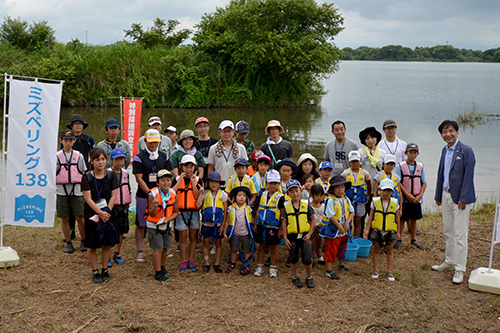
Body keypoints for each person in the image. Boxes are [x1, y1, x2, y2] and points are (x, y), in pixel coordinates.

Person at [432, 120, 475, 285]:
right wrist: (437, 194)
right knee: (448, 230)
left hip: (460, 199)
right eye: (444, 132)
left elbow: (468, 176)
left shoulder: (466, 151)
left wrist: (464, 197)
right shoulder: (445, 150)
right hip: (445, 194)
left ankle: (460, 268)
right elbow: (441, 173)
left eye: (450, 131)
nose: (447, 134)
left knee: (460, 234)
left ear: (457, 132)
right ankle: (449, 261)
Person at [132, 129, 172, 262]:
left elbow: (168, 176)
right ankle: (140, 250)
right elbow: (139, 178)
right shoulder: (139, 158)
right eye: (151, 142)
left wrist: (164, 192)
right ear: (145, 142)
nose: (153, 145)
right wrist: (150, 193)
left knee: (161, 220)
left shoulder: (164, 157)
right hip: (144, 195)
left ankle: (162, 248)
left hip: (162, 195)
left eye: (156, 142)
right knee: (141, 223)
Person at [81, 148, 119, 283]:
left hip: (108, 214)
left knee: (106, 244)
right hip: (92, 214)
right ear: (92, 161)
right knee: (91, 245)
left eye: (103, 159)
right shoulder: (87, 177)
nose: (100, 162)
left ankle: (105, 269)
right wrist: (99, 212)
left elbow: (114, 195)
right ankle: (95, 271)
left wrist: (107, 211)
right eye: (97, 160)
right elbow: (88, 199)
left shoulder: (111, 175)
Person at [145, 169, 179, 282]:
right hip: (154, 225)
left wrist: (168, 220)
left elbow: (176, 212)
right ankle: (157, 273)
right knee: (158, 249)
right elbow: (152, 213)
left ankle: (162, 267)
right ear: (158, 183)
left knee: (165, 248)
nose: (166, 183)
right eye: (163, 180)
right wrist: (154, 206)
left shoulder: (173, 193)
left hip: (166, 224)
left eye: (168, 180)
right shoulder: (153, 194)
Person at [56, 129, 87, 253]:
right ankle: (68, 243)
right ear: (61, 141)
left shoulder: (79, 156)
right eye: (65, 140)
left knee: (80, 217)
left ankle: (84, 241)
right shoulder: (56, 156)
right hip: (62, 190)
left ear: (74, 141)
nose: (68, 143)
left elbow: (83, 173)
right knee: (65, 217)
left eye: (70, 140)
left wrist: (85, 192)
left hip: (77, 190)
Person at [64, 114, 94, 241]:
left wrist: (91, 174)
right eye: (75, 124)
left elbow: (92, 157)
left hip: (84, 173)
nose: (77, 126)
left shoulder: (89, 139)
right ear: (71, 126)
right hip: (69, 175)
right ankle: (71, 232)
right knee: (70, 206)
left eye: (80, 124)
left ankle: (86, 233)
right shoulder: (66, 138)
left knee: (83, 204)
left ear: (83, 126)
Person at [282, 179, 315, 288]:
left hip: (305, 236)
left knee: (307, 259)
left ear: (301, 191)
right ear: (288, 194)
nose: (295, 193)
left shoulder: (306, 204)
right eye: (291, 192)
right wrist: (285, 238)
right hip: (292, 237)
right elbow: (284, 223)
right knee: (293, 258)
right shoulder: (287, 207)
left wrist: (310, 233)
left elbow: (313, 219)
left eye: (297, 190)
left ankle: (309, 277)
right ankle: (294, 276)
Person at [364, 178, 399, 282]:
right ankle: (376, 270)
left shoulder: (394, 202)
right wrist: (367, 230)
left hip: (390, 230)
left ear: (392, 192)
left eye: (388, 191)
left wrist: (399, 232)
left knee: (390, 250)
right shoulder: (375, 201)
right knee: (376, 250)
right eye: (384, 190)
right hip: (377, 230)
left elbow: (397, 218)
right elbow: (370, 216)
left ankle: (389, 271)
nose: (386, 193)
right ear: (379, 190)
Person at [172, 154, 201, 272]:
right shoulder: (177, 179)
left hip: (193, 212)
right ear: (181, 167)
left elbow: (197, 195)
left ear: (194, 168)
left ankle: (191, 259)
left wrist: (193, 182)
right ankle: (183, 260)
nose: (188, 170)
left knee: (193, 237)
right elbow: (171, 193)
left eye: (191, 167)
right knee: (182, 238)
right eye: (186, 167)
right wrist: (179, 181)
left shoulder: (198, 180)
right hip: (180, 212)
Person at [321, 176, 354, 279]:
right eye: (338, 187)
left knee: (342, 246)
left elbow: (352, 212)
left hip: (345, 228)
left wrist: (347, 223)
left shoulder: (346, 199)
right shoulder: (330, 200)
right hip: (334, 230)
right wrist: (339, 227)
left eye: (342, 187)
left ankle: (341, 264)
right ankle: (329, 270)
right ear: (333, 189)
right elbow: (330, 216)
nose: (341, 190)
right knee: (331, 248)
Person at [254, 170, 285, 278]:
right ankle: (259, 266)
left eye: (275, 183)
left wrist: (281, 229)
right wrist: (255, 223)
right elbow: (258, 209)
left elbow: (282, 215)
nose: (272, 185)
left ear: (278, 184)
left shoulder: (280, 197)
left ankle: (273, 267)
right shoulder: (263, 195)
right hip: (261, 225)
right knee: (261, 246)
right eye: (270, 183)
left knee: (273, 247)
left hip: (274, 226)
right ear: (267, 183)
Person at [395, 143, 427, 249]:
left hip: (416, 198)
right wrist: (407, 194)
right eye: (410, 152)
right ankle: (398, 239)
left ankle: (413, 240)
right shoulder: (400, 166)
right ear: (406, 153)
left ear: (417, 154)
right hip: (404, 198)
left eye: (414, 153)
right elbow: (398, 182)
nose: (412, 155)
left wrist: (420, 195)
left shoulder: (420, 166)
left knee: (414, 219)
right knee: (402, 219)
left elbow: (424, 182)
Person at [196, 171, 227, 273]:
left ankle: (217, 263)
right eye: (212, 182)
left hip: (218, 224)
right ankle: (206, 262)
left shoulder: (223, 194)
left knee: (218, 243)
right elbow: (198, 205)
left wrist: (223, 225)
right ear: (208, 183)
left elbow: (225, 211)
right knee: (205, 243)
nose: (214, 184)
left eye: (216, 182)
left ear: (219, 183)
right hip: (206, 223)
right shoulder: (205, 194)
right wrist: (200, 193)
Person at [373, 154, 403, 248]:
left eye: (392, 164)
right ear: (383, 164)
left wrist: (401, 207)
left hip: (393, 204)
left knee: (392, 221)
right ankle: (379, 242)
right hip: (380, 204)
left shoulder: (396, 177)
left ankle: (391, 241)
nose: (389, 166)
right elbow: (375, 192)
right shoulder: (378, 176)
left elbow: (400, 193)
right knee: (380, 221)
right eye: (387, 164)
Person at [223, 186, 254, 275]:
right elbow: (227, 221)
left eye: (244, 196)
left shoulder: (248, 209)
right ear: (235, 197)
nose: (241, 197)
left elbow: (251, 221)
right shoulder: (231, 209)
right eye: (239, 195)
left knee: (246, 249)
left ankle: (247, 264)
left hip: (245, 233)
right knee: (234, 249)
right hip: (235, 233)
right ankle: (233, 263)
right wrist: (225, 232)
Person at [108, 148, 131, 264]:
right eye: (117, 159)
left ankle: (117, 253)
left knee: (121, 231)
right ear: (111, 159)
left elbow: (128, 189)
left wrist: (127, 207)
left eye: (121, 159)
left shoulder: (125, 173)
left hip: (123, 207)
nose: (119, 162)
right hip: (111, 208)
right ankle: (106, 256)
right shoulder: (107, 173)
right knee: (109, 231)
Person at [341, 150, 372, 237]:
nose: (355, 163)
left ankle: (356, 238)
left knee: (358, 222)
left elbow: (369, 184)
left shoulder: (365, 173)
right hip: (348, 200)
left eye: (357, 161)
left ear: (360, 161)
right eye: (352, 161)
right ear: (349, 162)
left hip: (360, 200)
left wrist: (368, 195)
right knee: (348, 220)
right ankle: (347, 238)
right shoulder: (345, 173)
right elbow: (341, 184)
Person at [310, 184, 325, 265]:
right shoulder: (309, 206)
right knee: (312, 244)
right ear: (311, 195)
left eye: (321, 195)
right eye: (317, 195)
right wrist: (312, 224)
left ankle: (319, 256)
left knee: (319, 243)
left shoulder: (323, 206)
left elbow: (325, 217)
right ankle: (310, 258)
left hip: (320, 228)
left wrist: (321, 223)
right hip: (312, 228)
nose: (319, 197)